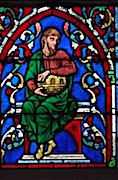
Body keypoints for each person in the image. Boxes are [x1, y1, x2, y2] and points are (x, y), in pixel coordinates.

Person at [21, 27, 78, 161]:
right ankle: (48, 140)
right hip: (41, 93)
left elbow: (72, 68)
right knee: (27, 108)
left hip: (59, 96)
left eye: (57, 40)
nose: (55, 43)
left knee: (42, 110)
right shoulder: (37, 57)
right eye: (52, 39)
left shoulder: (61, 55)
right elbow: (29, 77)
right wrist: (35, 89)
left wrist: (50, 72)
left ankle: (40, 145)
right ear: (44, 39)